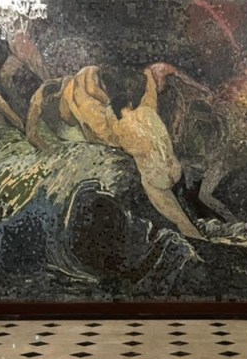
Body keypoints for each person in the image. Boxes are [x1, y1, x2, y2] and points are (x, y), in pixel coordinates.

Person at [27, 63, 204, 239]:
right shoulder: (147, 111)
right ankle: (199, 230)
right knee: (184, 210)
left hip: (157, 178)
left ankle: (195, 239)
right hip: (174, 169)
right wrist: (150, 77)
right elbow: (150, 96)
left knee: (178, 219)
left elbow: (109, 137)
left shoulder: (120, 130)